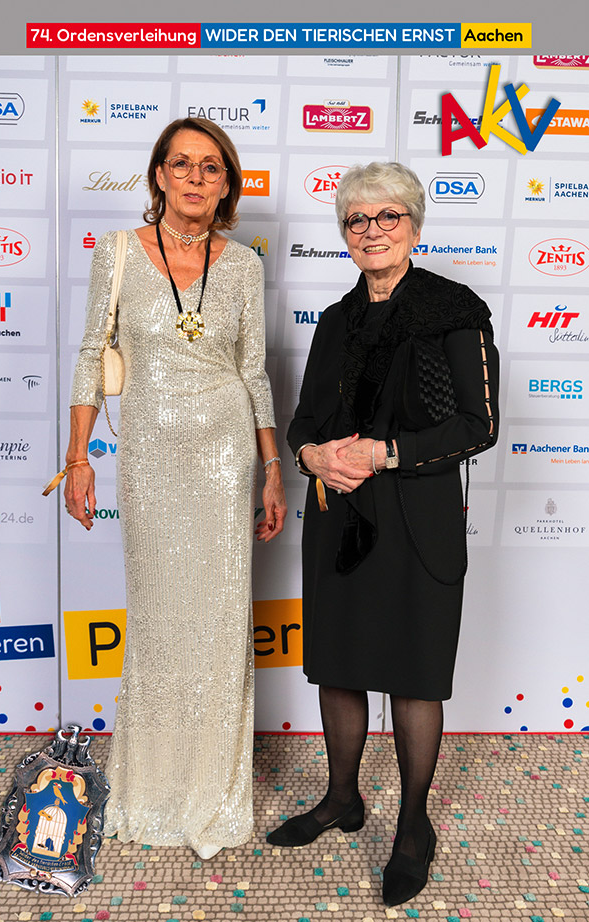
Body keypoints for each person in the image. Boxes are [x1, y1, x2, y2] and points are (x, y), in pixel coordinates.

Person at [267, 163, 499, 906]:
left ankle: (412, 827)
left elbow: (479, 426)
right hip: (337, 515)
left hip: (417, 520)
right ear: (345, 234)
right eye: (356, 220)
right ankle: (342, 798)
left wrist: (384, 453)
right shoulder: (336, 320)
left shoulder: (454, 309)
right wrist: (312, 456)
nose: (371, 231)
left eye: (387, 216)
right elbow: (304, 420)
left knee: (412, 673)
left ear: (415, 226)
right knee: (337, 665)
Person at [65, 117, 286, 859]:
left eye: (211, 167)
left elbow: (253, 370)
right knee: (160, 616)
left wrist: (273, 468)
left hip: (226, 454)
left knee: (220, 621)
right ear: (159, 174)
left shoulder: (244, 266)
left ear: (227, 185)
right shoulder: (118, 251)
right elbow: (92, 353)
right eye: (182, 163)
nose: (196, 177)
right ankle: (152, 789)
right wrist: (78, 457)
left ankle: (214, 792)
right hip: (152, 457)